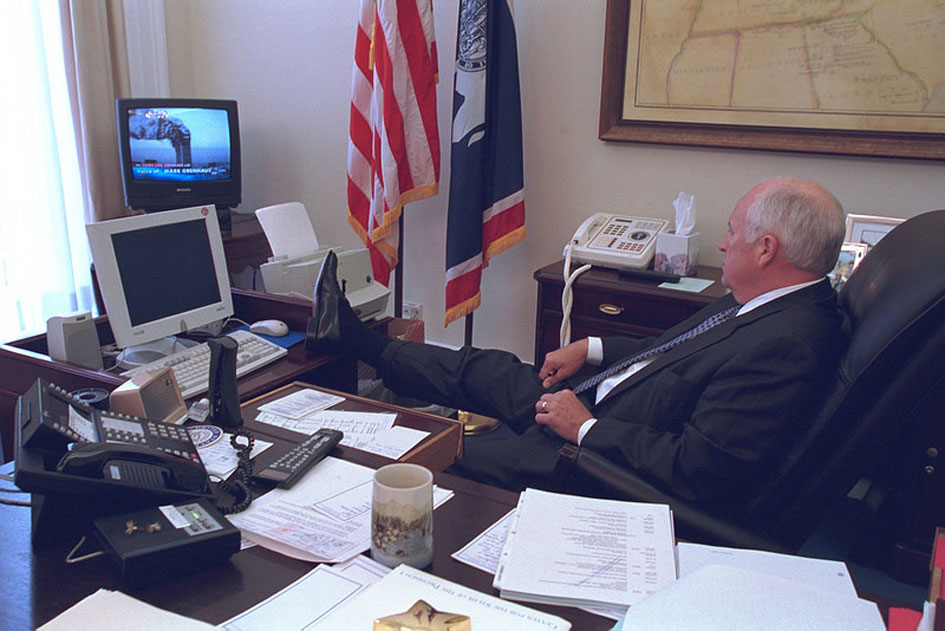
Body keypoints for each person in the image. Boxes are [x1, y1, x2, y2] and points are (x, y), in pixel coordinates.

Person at [309, 177, 847, 510]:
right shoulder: (763, 298)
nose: (724, 242)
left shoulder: (787, 344)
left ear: (766, 250)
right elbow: (671, 352)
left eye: (733, 233)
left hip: (595, 457)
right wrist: (590, 347)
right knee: (484, 367)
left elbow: (700, 469)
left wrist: (584, 427)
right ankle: (359, 341)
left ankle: (336, 476)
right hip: (601, 401)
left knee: (444, 449)